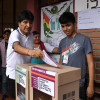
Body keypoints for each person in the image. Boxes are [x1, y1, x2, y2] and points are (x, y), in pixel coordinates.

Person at [6, 10, 44, 98]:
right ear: (19, 23)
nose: (28, 25)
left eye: (30, 23)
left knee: (24, 96)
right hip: (13, 73)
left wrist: (38, 52)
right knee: (14, 97)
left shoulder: (31, 35)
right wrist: (31, 52)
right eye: (25, 22)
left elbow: (30, 48)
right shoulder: (14, 34)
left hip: (25, 72)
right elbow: (16, 47)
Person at [58, 12, 94, 100]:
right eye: (63, 26)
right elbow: (60, 62)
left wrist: (91, 85)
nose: (65, 29)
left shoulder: (84, 39)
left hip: (79, 83)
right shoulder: (62, 42)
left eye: (68, 25)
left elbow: (91, 63)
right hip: (64, 82)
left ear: (75, 24)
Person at [0, 29, 11, 100]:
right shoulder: (0, 43)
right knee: (4, 80)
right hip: (3, 65)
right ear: (3, 35)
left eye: (8, 34)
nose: (7, 35)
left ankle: (11, 94)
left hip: (11, 65)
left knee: (11, 80)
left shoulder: (13, 43)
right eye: (5, 34)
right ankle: (4, 93)